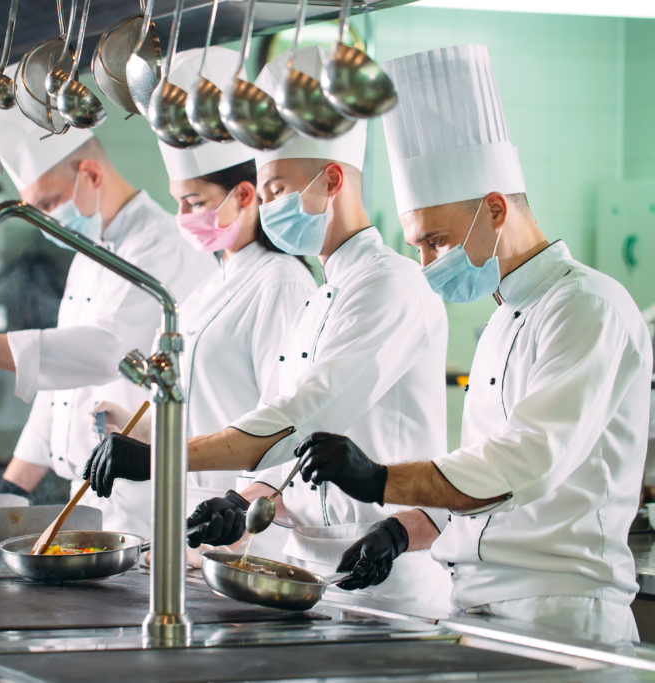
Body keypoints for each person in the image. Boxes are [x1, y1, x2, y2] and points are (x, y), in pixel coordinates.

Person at [294, 44, 653, 642]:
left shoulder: (585, 307)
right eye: (417, 245)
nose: (426, 262)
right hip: (480, 609)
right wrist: (400, 531)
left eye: (435, 241)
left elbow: (523, 467)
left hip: (562, 614)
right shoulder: (506, 317)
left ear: (494, 209)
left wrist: (380, 477)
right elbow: (483, 480)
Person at [84, 46, 452, 607]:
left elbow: (304, 418)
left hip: (386, 587)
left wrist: (161, 454)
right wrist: (242, 501)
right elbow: (293, 458)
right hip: (306, 580)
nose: (269, 204)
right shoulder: (319, 297)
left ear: (332, 180)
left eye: (277, 189)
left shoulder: (390, 285)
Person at [0, 80, 214, 538]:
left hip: (145, 509)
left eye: (48, 204)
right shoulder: (89, 254)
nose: (46, 221)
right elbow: (59, 390)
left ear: (90, 174)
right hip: (87, 503)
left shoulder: (164, 247)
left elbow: (106, 351)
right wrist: (12, 491)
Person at [91, 47, 318, 562]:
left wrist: (238, 520)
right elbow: (201, 409)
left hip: (243, 533)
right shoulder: (208, 288)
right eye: (178, 201)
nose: (183, 216)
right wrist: (136, 427)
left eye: (194, 203)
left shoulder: (280, 283)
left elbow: (284, 424)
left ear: (245, 195)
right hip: (193, 525)